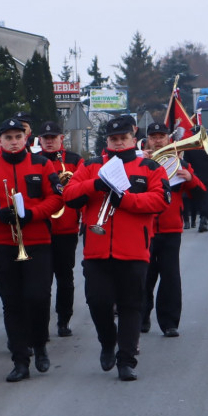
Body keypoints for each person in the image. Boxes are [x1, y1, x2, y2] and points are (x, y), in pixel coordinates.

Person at [63, 116, 169, 381]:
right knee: (98, 303)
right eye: (113, 139)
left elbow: (160, 200)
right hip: (97, 250)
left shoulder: (150, 166)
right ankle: (108, 343)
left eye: (123, 138)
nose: (119, 142)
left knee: (131, 305)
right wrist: (94, 184)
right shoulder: (91, 166)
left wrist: (126, 200)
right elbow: (69, 196)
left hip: (134, 249)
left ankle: (126, 360)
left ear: (133, 138)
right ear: (107, 141)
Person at [0, 117, 64, 382]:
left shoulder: (42, 163)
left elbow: (56, 197)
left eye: (18, 136)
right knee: (12, 302)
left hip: (37, 240)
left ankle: (39, 344)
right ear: (0, 141)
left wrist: (33, 213)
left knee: (39, 297)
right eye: (8, 137)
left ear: (26, 138)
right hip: (3, 243)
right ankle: (20, 359)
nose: (14, 141)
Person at [142, 123, 204, 337]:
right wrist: (140, 162)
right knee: (144, 276)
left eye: (161, 136)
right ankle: (142, 316)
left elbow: (200, 194)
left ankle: (169, 323)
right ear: (147, 139)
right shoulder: (139, 163)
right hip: (145, 229)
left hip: (170, 229)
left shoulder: (180, 163)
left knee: (170, 276)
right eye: (153, 137)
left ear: (169, 138)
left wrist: (190, 178)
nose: (158, 140)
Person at [38, 120, 84, 338]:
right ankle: (42, 324)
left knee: (65, 277)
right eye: (45, 138)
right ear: (39, 140)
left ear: (61, 139)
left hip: (66, 228)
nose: (49, 142)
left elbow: (83, 191)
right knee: (42, 280)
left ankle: (64, 320)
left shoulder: (75, 160)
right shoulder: (34, 161)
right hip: (40, 229)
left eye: (53, 138)